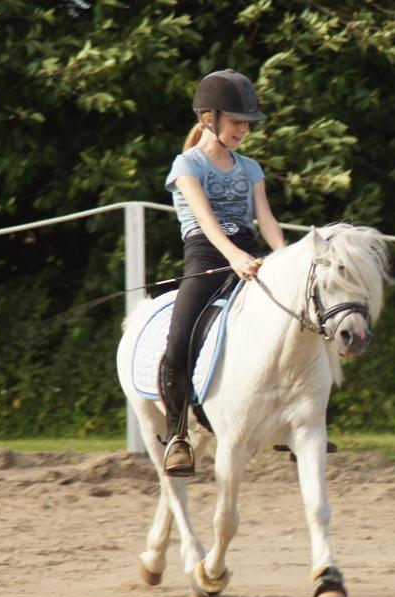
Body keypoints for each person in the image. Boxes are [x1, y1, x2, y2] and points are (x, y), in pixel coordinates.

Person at [160, 69, 287, 476]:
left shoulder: (250, 168)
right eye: (236, 121)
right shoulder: (187, 164)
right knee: (179, 339)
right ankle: (178, 436)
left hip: (248, 251)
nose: (244, 129)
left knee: (299, 320)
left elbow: (265, 220)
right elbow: (205, 220)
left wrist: (284, 259)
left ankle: (290, 420)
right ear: (208, 119)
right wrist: (232, 256)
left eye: (247, 122)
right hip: (206, 254)